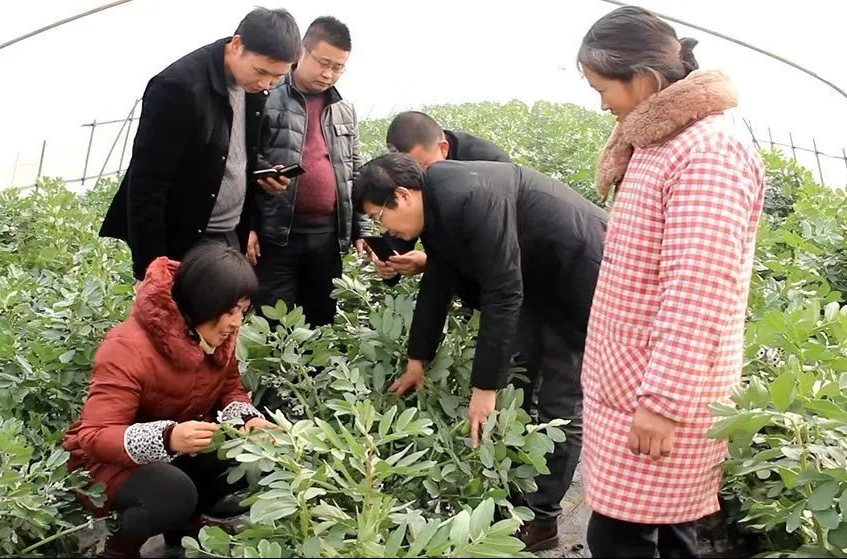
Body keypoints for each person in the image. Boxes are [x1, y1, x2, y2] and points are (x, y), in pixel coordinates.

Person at [576, 6, 766, 558]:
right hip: (631, 379)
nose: (601, 102)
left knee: (617, 535)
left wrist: (662, 403)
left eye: (602, 87)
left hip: (659, 391)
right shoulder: (661, 138)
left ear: (645, 80)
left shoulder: (708, 151)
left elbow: (699, 290)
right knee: (668, 527)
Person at [353, 153, 607, 551]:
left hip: (581, 277)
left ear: (401, 195)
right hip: (538, 282)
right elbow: (439, 279)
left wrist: (484, 387)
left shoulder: (470, 195)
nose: (383, 228)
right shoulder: (437, 201)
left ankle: (542, 521)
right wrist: (417, 359)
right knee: (524, 385)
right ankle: (522, 497)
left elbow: (503, 294)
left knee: (559, 401)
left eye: (379, 217)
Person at [62, 244, 278, 558]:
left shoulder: (214, 336)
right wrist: (167, 437)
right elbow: (94, 436)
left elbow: (229, 389)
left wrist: (248, 420)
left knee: (241, 450)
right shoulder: (127, 346)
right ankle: (120, 548)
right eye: (230, 311)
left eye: (242, 311)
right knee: (172, 492)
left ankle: (184, 525)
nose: (237, 323)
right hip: (102, 463)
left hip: (171, 445)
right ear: (203, 303)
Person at [98, 8, 301, 283]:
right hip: (187, 240)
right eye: (261, 72)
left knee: (223, 323)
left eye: (276, 78)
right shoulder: (178, 87)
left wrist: (262, 172)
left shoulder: (252, 86)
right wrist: (153, 271)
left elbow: (232, 149)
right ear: (237, 44)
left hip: (230, 232)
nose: (266, 83)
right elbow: (147, 186)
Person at [247, 16, 367, 326]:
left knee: (322, 320)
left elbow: (353, 171)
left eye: (338, 67)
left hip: (328, 238)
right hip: (277, 236)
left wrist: (360, 231)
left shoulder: (344, 108)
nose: (329, 74)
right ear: (302, 52)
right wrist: (245, 225)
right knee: (274, 324)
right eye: (324, 62)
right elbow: (241, 161)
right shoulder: (266, 96)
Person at [372, 111, 511, 281]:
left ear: (443, 148)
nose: (417, 176)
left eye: (422, 166)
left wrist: (429, 262)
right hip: (443, 259)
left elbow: (499, 247)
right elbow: (403, 217)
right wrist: (392, 259)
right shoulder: (403, 169)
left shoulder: (490, 163)